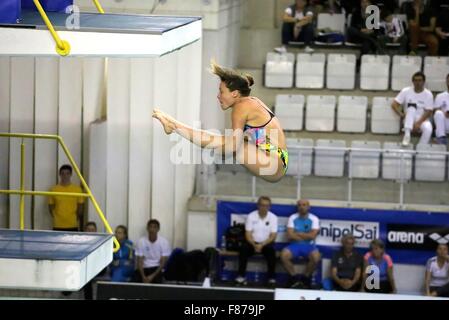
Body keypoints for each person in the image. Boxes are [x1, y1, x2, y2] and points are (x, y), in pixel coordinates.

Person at [152, 61, 289, 183]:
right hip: (279, 159)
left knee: (227, 143)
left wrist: (208, 149)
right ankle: (174, 125)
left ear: (234, 93)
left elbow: (232, 148)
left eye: (221, 91)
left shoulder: (241, 107)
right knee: (226, 141)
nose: (218, 96)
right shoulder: (251, 102)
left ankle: (174, 125)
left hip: (274, 164)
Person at [234, 196, 278, 287]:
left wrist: (262, 245)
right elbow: (248, 234)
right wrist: (254, 245)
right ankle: (241, 277)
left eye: (266, 206)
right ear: (258, 205)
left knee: (271, 252)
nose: (264, 207)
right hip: (252, 243)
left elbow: (273, 236)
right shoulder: (251, 216)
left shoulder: (273, 217)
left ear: (270, 207)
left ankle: (271, 279)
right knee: (243, 249)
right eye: (262, 205)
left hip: (266, 243)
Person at [280, 199, 321, 289]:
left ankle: (306, 278)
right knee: (283, 255)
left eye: (304, 205)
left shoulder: (314, 218)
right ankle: (293, 278)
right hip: (295, 245)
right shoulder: (292, 217)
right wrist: (305, 235)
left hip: (309, 246)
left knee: (316, 257)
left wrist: (298, 233)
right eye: (299, 205)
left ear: (308, 207)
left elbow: (313, 236)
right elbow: (290, 235)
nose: (302, 207)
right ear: (297, 207)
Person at [391, 71, 434, 147]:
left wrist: (418, 123)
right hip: (408, 118)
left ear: (424, 82)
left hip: (422, 119)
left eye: (420, 80)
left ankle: (421, 147)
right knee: (411, 108)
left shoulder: (428, 94)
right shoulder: (406, 91)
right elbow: (394, 104)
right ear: (413, 81)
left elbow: (429, 111)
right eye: (416, 80)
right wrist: (402, 115)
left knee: (428, 128)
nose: (418, 83)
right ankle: (407, 135)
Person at [133, 219, 171, 284]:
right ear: (147, 228)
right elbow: (139, 262)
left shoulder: (164, 242)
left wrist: (151, 276)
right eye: (150, 227)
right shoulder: (141, 241)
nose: (152, 229)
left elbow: (162, 263)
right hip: (144, 268)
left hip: (157, 269)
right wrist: (143, 277)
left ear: (158, 229)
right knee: (134, 281)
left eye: (154, 227)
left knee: (158, 283)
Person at [48, 164, 85, 232]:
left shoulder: (77, 190)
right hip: (58, 225)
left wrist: (75, 218)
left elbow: (80, 207)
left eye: (67, 173)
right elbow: (50, 207)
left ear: (71, 174)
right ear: (60, 175)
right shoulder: (53, 189)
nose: (65, 176)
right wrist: (56, 217)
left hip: (72, 224)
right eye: (63, 173)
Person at [434, 74, 449, 146]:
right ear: (446, 81)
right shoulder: (440, 96)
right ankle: (441, 138)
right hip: (445, 122)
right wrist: (444, 113)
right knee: (438, 113)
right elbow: (436, 110)